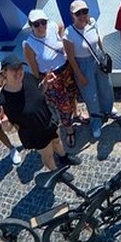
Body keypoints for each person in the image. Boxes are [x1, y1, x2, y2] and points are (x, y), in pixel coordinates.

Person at [0, 55, 74, 171]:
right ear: (5, 73)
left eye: (20, 67)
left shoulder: (28, 78)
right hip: (34, 133)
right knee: (48, 155)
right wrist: (5, 123)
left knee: (57, 141)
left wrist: (46, 83)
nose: (18, 72)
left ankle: (64, 157)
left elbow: (40, 91)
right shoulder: (3, 101)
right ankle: (57, 172)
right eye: (13, 69)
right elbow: (9, 129)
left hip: (49, 120)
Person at [22, 9, 86, 148]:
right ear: (31, 26)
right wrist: (42, 81)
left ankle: (75, 113)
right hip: (50, 77)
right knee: (62, 105)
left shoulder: (52, 27)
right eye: (36, 24)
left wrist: (61, 37)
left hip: (65, 69)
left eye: (43, 22)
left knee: (72, 94)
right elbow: (33, 68)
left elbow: (61, 25)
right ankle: (69, 129)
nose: (41, 27)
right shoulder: (29, 44)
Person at [63, 0, 117, 139]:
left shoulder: (92, 23)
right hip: (82, 64)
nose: (82, 15)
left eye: (84, 11)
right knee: (90, 96)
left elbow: (98, 40)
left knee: (106, 87)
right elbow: (71, 57)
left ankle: (108, 109)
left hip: (97, 59)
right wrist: (80, 75)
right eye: (78, 13)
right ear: (72, 15)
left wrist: (104, 56)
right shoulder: (69, 33)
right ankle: (96, 122)